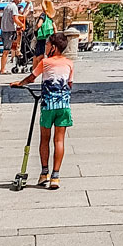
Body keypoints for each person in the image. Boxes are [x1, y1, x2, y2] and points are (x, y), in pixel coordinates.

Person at [12, 31, 73, 189]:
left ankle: (44, 172)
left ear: (53, 47)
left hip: (48, 106)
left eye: (47, 44)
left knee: (45, 139)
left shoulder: (45, 63)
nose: (45, 47)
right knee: (59, 140)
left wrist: (19, 83)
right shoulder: (69, 63)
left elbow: (31, 78)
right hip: (63, 106)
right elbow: (70, 84)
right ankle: (56, 176)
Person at [0, 0, 23, 75]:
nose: (21, 0)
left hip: (5, 30)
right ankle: (3, 69)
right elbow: (15, 19)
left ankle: (17, 51)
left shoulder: (7, 6)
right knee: (6, 51)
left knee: (13, 45)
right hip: (9, 31)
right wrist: (22, 25)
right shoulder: (14, 7)